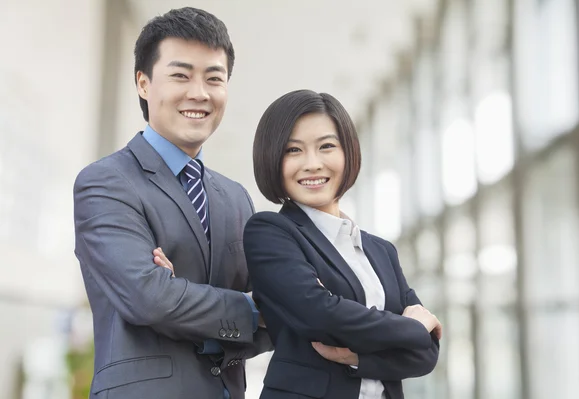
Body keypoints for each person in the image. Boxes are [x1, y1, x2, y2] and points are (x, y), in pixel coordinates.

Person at [73, 8, 271, 399]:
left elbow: (275, 313)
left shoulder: (236, 197)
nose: (199, 92)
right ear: (143, 83)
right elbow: (150, 299)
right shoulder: (106, 183)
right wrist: (248, 308)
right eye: (181, 75)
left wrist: (182, 293)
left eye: (214, 78)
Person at [243, 90, 441, 399]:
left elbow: (426, 354)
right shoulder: (271, 232)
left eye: (326, 146)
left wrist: (358, 359)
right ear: (272, 159)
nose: (312, 164)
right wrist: (412, 327)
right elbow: (321, 316)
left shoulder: (381, 251)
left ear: (348, 152)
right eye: (293, 150)